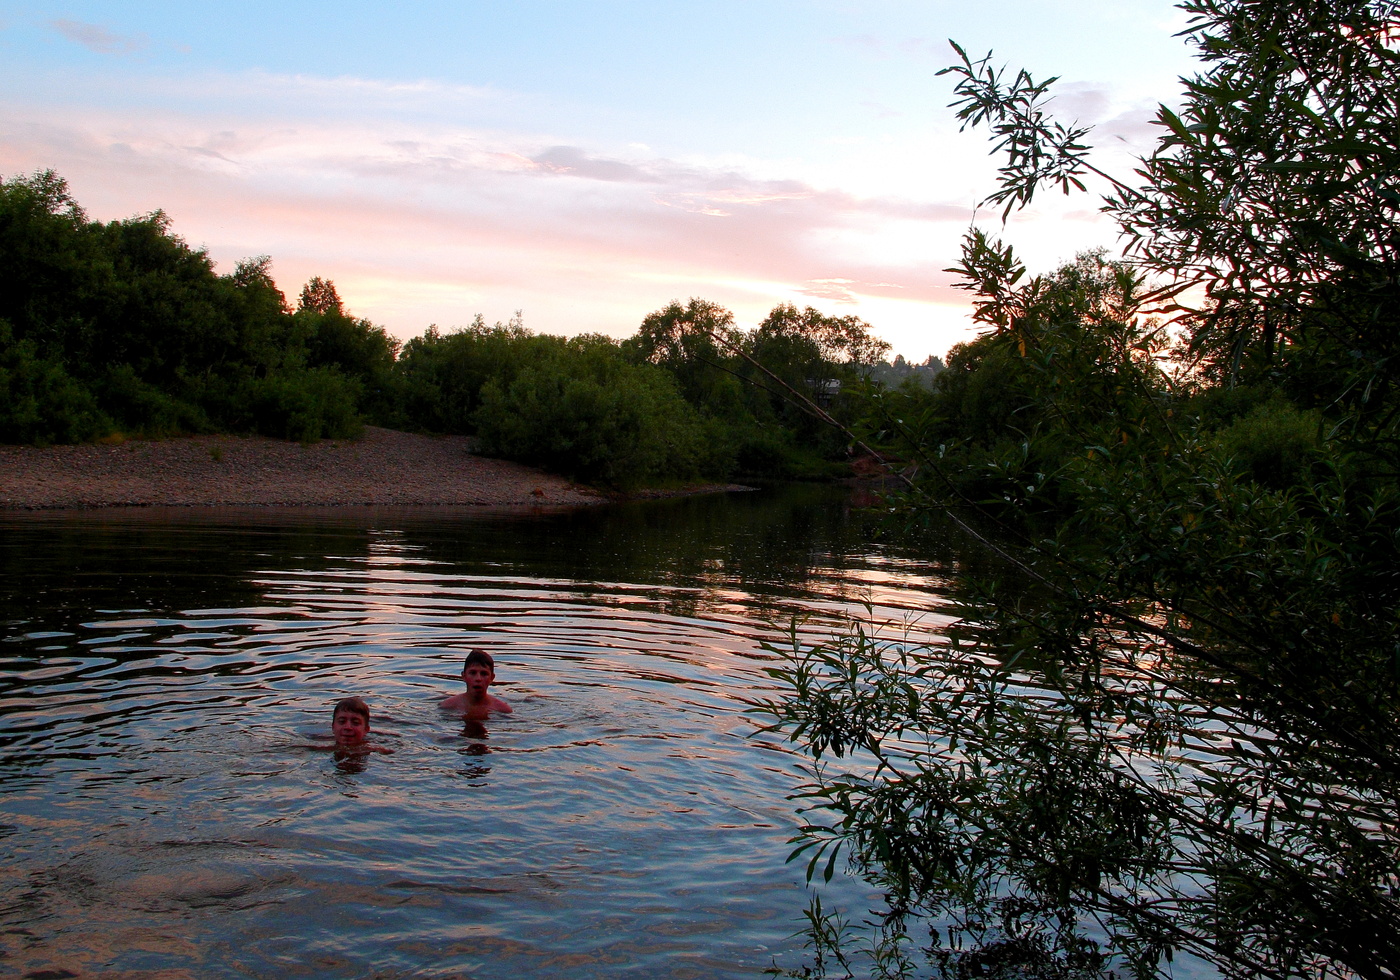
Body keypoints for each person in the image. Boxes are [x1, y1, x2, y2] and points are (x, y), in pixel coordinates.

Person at [440, 649, 512, 718]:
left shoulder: (503, 710)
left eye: (484, 674)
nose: (478, 679)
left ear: (491, 678)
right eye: (473, 673)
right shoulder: (447, 706)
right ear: (464, 676)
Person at [325, 696, 393, 754]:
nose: (348, 727)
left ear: (366, 729)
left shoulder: (376, 750)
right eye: (342, 721)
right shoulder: (322, 746)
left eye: (355, 723)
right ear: (333, 727)